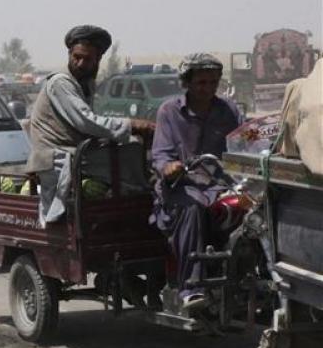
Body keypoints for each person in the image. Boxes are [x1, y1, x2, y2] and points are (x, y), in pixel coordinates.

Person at [26, 25, 154, 225]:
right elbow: (85, 121)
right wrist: (132, 124)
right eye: (77, 57)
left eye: (87, 59)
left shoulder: (85, 82)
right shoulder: (61, 83)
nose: (80, 63)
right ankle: (140, 206)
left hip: (74, 153)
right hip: (58, 157)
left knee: (131, 148)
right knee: (132, 152)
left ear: (98, 60)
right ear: (69, 54)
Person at [150, 53, 242, 311]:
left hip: (221, 185)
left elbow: (245, 142)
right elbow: (160, 154)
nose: (208, 88)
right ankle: (192, 288)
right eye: (202, 83)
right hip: (181, 187)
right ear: (187, 83)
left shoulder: (229, 110)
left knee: (259, 209)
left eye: (213, 82)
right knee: (193, 209)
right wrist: (168, 167)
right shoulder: (169, 111)